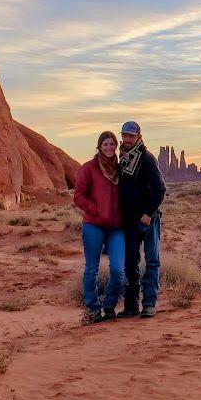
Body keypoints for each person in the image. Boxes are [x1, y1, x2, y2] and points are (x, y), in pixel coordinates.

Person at [73, 131, 126, 322]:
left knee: (119, 270)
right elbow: (78, 195)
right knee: (91, 269)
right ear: (99, 146)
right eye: (105, 144)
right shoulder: (89, 168)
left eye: (112, 144)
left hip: (117, 228)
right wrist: (96, 210)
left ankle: (109, 305)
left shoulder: (120, 169)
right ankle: (93, 309)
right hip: (94, 226)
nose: (109, 148)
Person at [117, 120, 166, 318]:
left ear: (139, 136)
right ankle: (131, 306)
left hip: (148, 220)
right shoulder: (122, 159)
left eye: (131, 135)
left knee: (152, 262)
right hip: (129, 221)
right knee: (131, 262)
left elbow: (159, 189)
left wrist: (147, 213)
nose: (127, 139)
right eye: (125, 135)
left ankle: (149, 304)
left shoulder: (146, 158)